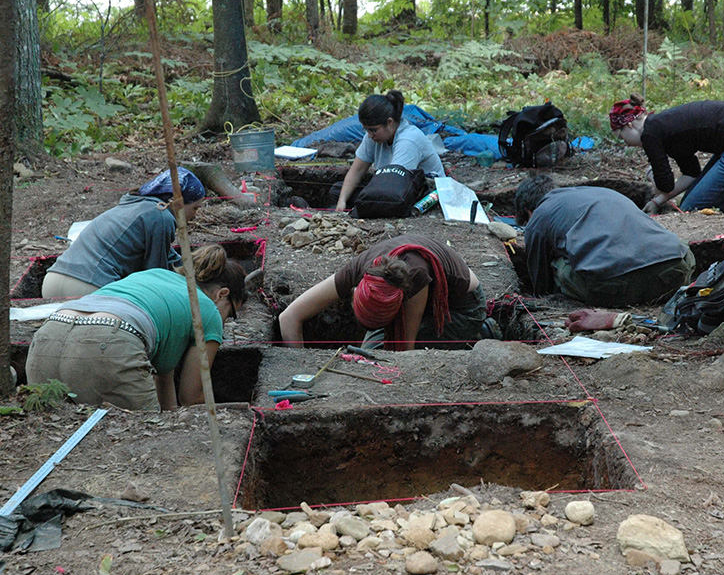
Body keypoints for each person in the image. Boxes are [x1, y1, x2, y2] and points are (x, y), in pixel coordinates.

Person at [26, 245, 247, 412]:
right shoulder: (207, 309)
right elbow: (191, 397)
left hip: (48, 337)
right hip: (110, 342)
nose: (225, 321)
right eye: (231, 313)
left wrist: (170, 418)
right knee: (145, 439)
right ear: (222, 294)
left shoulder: (154, 277)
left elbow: (165, 378)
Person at [279, 234, 488, 350]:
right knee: (370, 350)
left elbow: (405, 349)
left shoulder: (415, 277)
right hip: (418, 296)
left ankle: (483, 330)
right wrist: (300, 367)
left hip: (463, 307)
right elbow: (288, 317)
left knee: (377, 354)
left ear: (398, 305)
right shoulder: (358, 269)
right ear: (355, 291)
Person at [515, 175, 695, 307]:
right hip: (673, 274)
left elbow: (541, 283)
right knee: (679, 244)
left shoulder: (539, 215)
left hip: (613, 290)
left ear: (528, 211)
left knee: (557, 263)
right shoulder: (602, 192)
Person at [41, 167, 207, 299]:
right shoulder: (160, 215)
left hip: (52, 281)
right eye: (195, 208)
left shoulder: (134, 204)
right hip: (89, 286)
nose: (195, 215)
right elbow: (155, 274)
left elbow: (168, 256)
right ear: (176, 202)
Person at [608, 95, 724, 214]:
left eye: (621, 137)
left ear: (629, 125)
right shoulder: (662, 127)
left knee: (693, 208)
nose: (626, 143)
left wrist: (651, 175)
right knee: (689, 201)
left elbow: (664, 185)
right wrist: (656, 201)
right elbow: (691, 174)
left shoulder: (650, 134)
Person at [332, 91, 446, 211]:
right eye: (366, 130)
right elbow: (357, 170)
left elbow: (393, 185)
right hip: (391, 184)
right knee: (338, 191)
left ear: (390, 122)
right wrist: (342, 202)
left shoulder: (408, 141)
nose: (369, 135)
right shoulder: (372, 136)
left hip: (421, 192)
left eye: (373, 130)